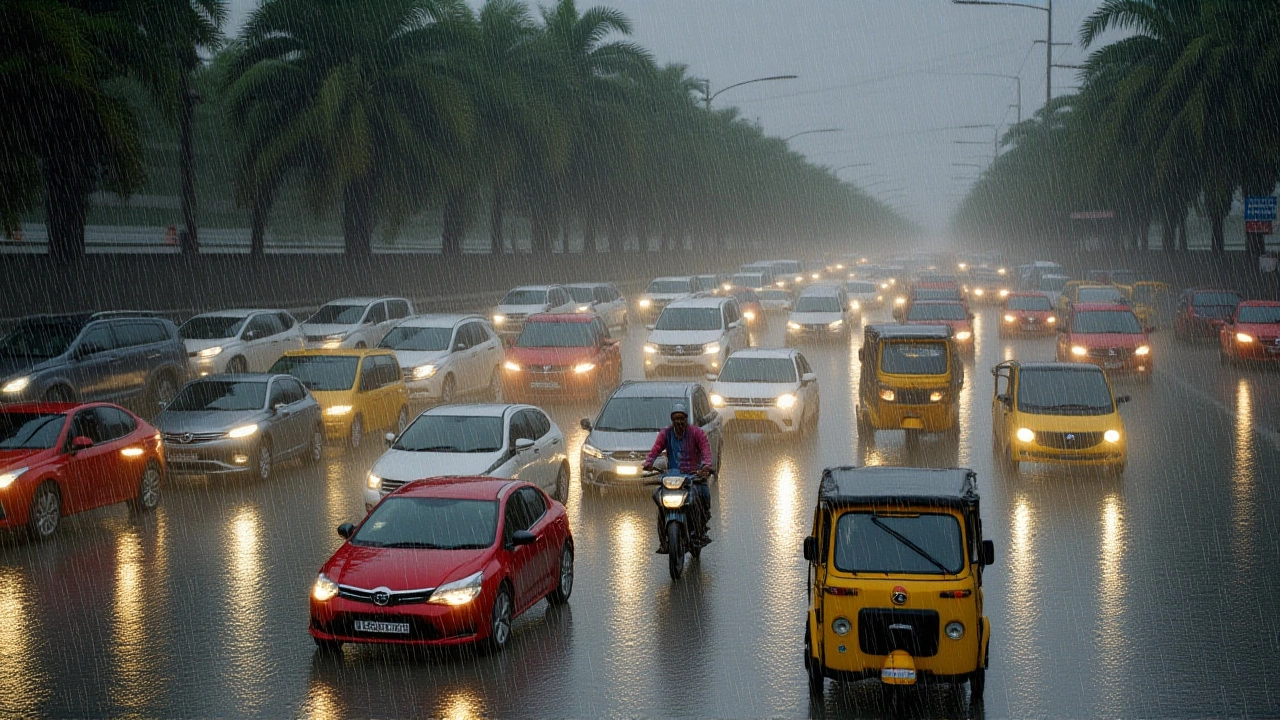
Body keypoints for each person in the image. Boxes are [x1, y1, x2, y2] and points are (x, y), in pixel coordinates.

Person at [643, 403, 713, 553]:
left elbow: (706, 451)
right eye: (676, 419)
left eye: (682, 418)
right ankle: (663, 539)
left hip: (693, 476)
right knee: (658, 498)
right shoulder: (666, 434)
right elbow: (656, 449)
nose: (679, 422)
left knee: (704, 495)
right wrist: (648, 463)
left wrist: (706, 466)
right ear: (672, 420)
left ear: (686, 419)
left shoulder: (697, 433)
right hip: (672, 477)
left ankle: (700, 530)